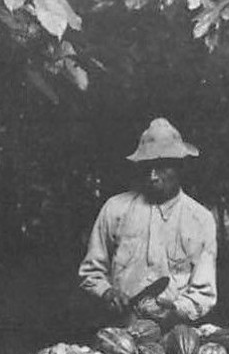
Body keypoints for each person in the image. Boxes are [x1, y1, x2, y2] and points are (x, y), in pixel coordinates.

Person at [78, 117, 218, 326]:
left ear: (181, 167)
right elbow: (91, 271)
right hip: (119, 330)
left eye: (162, 167)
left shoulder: (200, 220)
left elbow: (204, 293)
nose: (153, 176)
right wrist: (107, 293)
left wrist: (174, 312)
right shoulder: (115, 209)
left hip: (176, 334)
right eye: (147, 167)